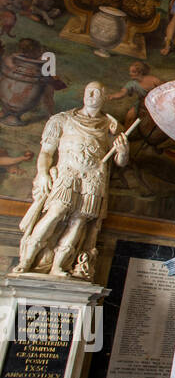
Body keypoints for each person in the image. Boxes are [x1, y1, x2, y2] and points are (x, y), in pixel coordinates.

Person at [11, 81, 129, 277]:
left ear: (105, 97)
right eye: (89, 92)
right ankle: (27, 261)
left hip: (93, 177)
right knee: (55, 212)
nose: (91, 96)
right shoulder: (62, 119)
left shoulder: (112, 126)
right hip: (68, 173)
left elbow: (120, 162)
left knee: (79, 221)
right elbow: (46, 153)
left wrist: (123, 151)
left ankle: (59, 265)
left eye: (97, 92)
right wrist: (43, 173)